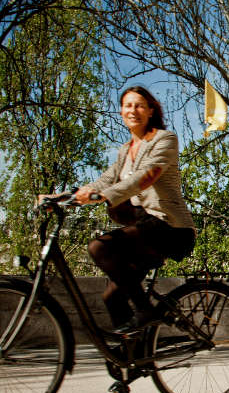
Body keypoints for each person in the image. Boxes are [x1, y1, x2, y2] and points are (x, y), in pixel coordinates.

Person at [62, 86, 196, 334]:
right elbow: (105, 180)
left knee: (99, 246)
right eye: (127, 105)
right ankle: (134, 359)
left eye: (139, 105)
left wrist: (104, 196)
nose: (132, 110)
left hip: (169, 227)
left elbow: (145, 176)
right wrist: (64, 197)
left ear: (151, 111)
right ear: (121, 111)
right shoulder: (125, 151)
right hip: (144, 230)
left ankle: (145, 310)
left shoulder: (164, 139)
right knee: (112, 298)